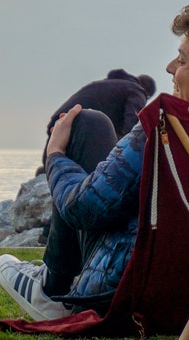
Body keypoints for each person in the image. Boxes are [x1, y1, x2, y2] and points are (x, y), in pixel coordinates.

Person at [0, 0, 189, 321]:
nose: (170, 68)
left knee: (88, 124)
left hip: (136, 296)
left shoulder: (165, 126)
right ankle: (53, 284)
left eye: (182, 60)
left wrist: (55, 154)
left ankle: (51, 290)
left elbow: (82, 208)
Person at [37, 69, 155, 245]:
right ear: (147, 93)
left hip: (57, 138)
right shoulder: (135, 91)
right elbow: (132, 130)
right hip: (80, 138)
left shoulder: (107, 86)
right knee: (93, 193)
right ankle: (81, 248)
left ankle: (50, 242)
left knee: (69, 189)